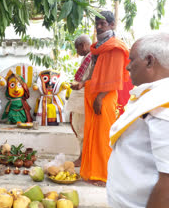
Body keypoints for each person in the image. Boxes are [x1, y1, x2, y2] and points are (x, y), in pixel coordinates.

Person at [107, 33, 169, 208]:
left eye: (131, 60)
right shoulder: (154, 95)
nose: (127, 67)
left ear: (149, 61)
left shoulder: (163, 104)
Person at [71, 11, 130, 186]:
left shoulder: (116, 47)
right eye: (96, 23)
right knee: (92, 136)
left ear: (112, 25)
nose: (98, 27)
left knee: (104, 138)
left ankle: (105, 176)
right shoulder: (98, 47)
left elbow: (117, 78)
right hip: (94, 95)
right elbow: (95, 73)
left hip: (105, 97)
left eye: (102, 24)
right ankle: (93, 172)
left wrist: (100, 98)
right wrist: (82, 84)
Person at [66, 35, 92, 167]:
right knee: (80, 129)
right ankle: (83, 158)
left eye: (77, 48)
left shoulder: (92, 57)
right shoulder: (88, 57)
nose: (77, 52)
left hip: (84, 99)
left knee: (81, 130)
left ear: (83, 45)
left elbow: (88, 79)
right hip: (82, 99)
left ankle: (82, 159)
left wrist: (80, 84)